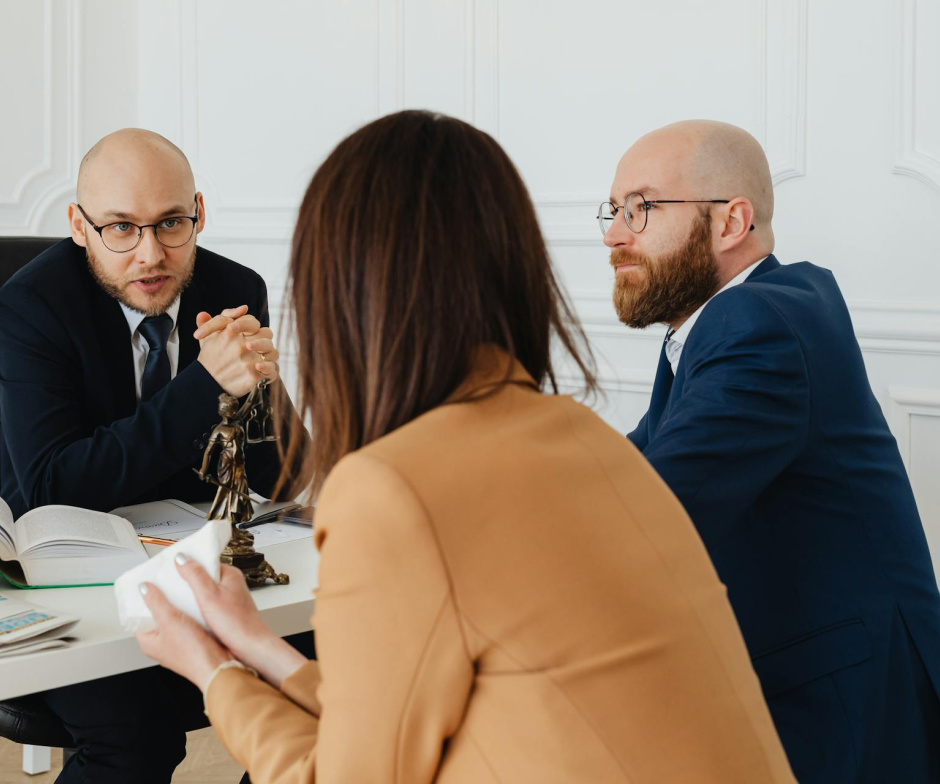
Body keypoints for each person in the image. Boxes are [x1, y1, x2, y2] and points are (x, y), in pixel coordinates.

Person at [134, 110, 795, 783]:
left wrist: (214, 673)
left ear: (342, 288)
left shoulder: (391, 488)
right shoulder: (585, 437)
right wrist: (255, 645)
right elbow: (400, 719)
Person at [601, 119, 940, 783]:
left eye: (640, 208)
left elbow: (649, 510)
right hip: (812, 675)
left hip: (849, 708)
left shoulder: (755, 322)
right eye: (613, 211)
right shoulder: (728, 321)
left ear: (732, 222)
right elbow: (629, 464)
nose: (614, 234)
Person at [0, 128, 309, 783]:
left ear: (198, 211)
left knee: (332, 685)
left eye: (172, 223)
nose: (150, 254)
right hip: (62, 568)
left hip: (191, 555)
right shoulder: (29, 306)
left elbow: (273, 475)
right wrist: (203, 386)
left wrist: (266, 396)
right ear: (78, 226)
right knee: (136, 738)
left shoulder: (234, 287)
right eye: (120, 228)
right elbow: (55, 483)